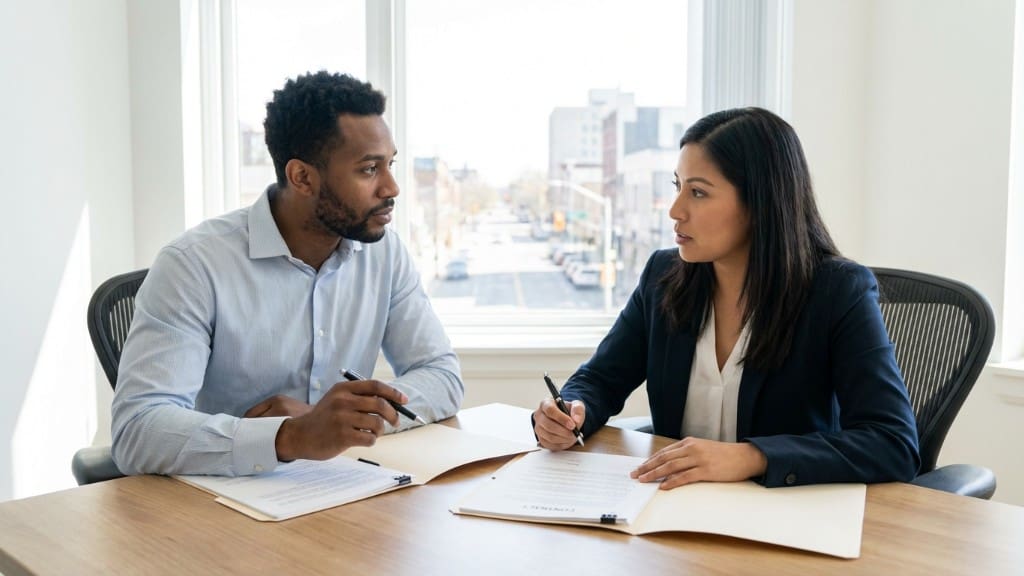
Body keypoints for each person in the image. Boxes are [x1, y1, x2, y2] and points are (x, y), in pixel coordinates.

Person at [533, 107, 920, 489]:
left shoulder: (838, 291)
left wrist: (752, 456)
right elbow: (600, 379)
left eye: (698, 192)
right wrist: (572, 410)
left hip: (783, 520)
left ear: (760, 203)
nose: (675, 210)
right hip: (675, 515)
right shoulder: (662, 277)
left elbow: (893, 443)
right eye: (677, 186)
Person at [112, 71, 463, 476]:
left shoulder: (384, 254)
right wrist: (290, 436)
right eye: (369, 169)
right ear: (302, 177)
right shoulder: (194, 264)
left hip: (338, 489)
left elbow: (442, 376)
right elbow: (137, 430)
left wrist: (334, 420)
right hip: (219, 503)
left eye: (390, 164)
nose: (392, 187)